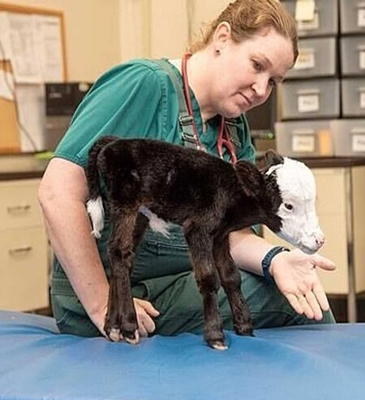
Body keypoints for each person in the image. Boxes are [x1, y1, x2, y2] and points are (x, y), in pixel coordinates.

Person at [38, 0, 337, 339]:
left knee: (300, 294)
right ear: (222, 38)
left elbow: (232, 234)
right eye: (257, 65)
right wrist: (101, 303)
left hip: (176, 282)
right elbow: (57, 194)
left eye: (273, 81)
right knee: (294, 309)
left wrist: (276, 260)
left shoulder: (233, 127)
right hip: (111, 292)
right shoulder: (143, 84)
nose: (260, 90)